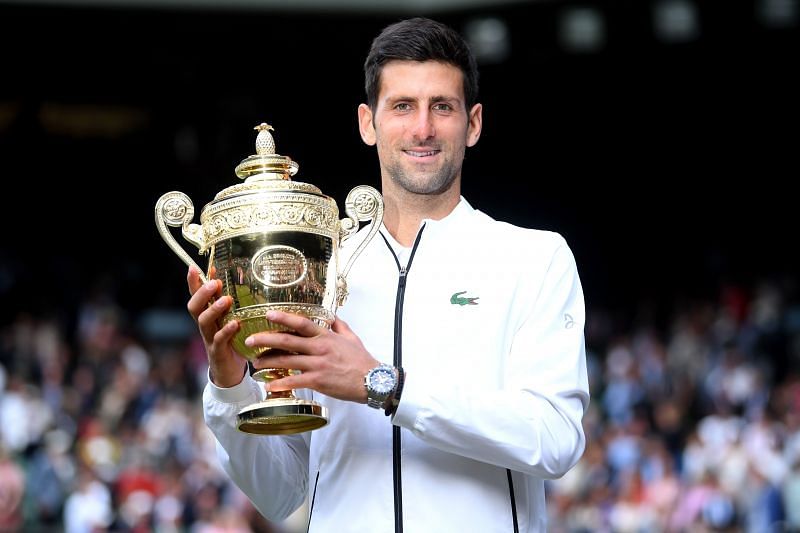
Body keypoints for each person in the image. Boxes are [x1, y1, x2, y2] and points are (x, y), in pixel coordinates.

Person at [187, 16, 590, 533]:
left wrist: (385, 387)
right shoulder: (319, 273)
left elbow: (554, 438)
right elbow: (279, 493)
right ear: (367, 122)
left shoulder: (533, 259)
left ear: (473, 124)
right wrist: (229, 385)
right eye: (402, 106)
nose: (422, 128)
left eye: (441, 107)